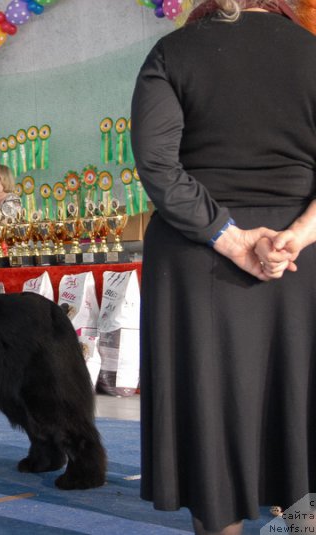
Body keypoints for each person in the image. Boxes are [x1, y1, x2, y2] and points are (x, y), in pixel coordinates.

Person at [130, 1, 316, 534]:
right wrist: (295, 238)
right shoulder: (311, 53)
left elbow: (158, 165)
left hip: (198, 262)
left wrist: (232, 240)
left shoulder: (172, 52)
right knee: (301, 410)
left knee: (210, 421)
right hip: (300, 265)